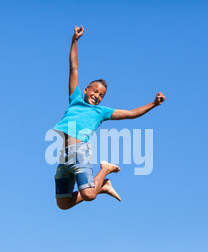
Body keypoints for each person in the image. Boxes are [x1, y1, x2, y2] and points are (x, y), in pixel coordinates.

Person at [53, 25, 166, 210]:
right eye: (95, 91)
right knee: (63, 204)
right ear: (86, 90)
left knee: (89, 195)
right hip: (63, 157)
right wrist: (74, 40)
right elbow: (74, 68)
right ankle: (103, 186)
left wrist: (153, 103)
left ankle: (104, 170)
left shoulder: (101, 112)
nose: (97, 96)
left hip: (80, 152)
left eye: (101, 95)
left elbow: (130, 114)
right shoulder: (74, 99)